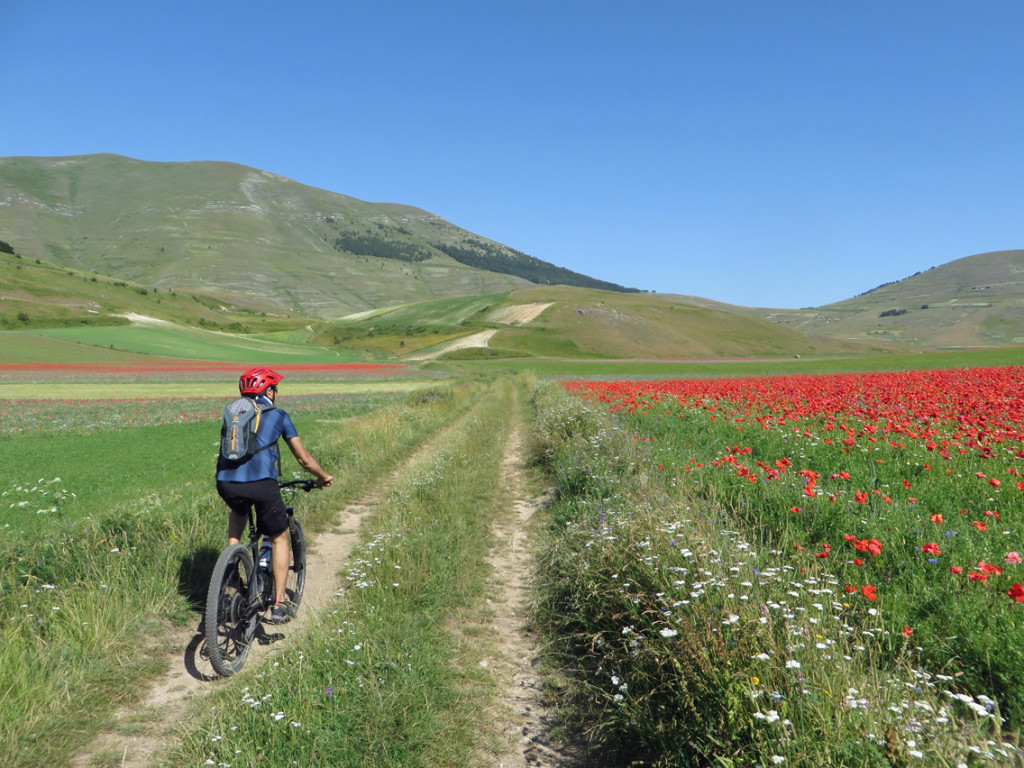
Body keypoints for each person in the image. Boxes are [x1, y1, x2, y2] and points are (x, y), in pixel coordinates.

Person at [215, 367, 332, 623]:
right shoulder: (278, 415)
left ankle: (230, 564)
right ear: (268, 391)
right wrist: (323, 477)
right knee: (279, 538)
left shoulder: (233, 413)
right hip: (261, 484)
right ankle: (279, 604)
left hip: (225, 482)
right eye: (274, 389)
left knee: (239, 510)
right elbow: (304, 458)